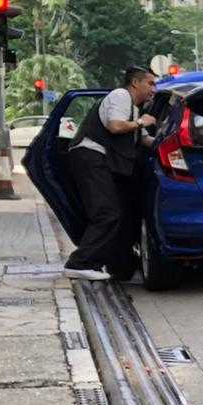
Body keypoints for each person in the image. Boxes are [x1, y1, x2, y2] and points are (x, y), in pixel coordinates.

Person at [62, 66, 158, 281]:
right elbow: (115, 126)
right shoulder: (120, 96)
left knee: (115, 213)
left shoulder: (134, 109)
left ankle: (104, 263)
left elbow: (144, 139)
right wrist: (142, 122)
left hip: (100, 162)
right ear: (135, 83)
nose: (154, 89)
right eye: (150, 83)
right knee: (106, 212)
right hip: (91, 158)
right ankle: (79, 263)